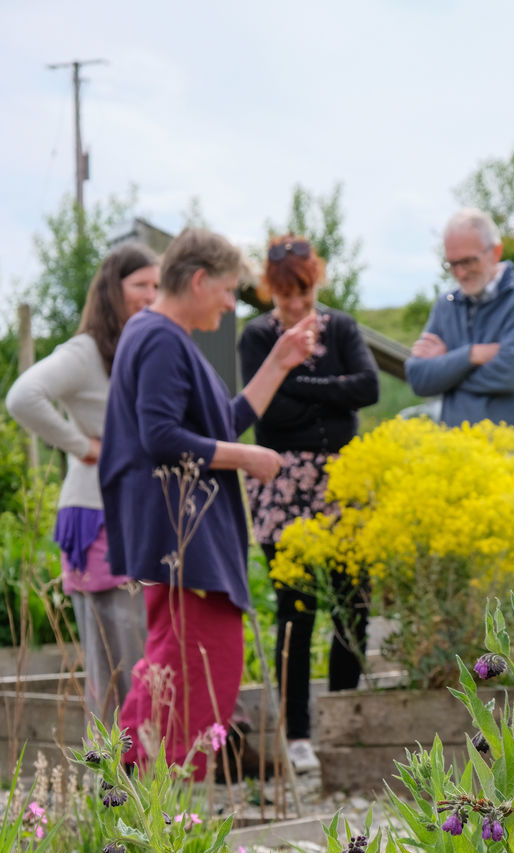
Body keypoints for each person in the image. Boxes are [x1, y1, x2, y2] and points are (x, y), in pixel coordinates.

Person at [98, 228, 317, 780]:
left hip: (177, 534)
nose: (230, 301)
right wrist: (245, 458)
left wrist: (281, 359)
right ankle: (167, 791)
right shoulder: (161, 339)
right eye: (225, 289)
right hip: (183, 536)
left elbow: (225, 420)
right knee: (204, 661)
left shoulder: (156, 335)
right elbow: (161, 436)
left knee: (169, 661)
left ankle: (125, 784)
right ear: (198, 280)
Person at [238, 235, 379, 773]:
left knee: (354, 602)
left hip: (343, 481)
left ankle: (344, 715)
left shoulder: (340, 327)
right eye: (284, 295)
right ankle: (297, 734)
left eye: (303, 292)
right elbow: (266, 417)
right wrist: (328, 389)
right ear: (270, 291)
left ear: (316, 282)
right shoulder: (258, 336)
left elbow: (367, 389)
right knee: (296, 609)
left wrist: (298, 382)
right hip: (281, 483)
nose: (295, 305)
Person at [6, 243, 160, 721]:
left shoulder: (139, 349)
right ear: (113, 290)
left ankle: (146, 782)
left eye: (158, 286)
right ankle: (114, 785)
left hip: (135, 514)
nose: (152, 297)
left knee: (143, 655)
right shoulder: (87, 351)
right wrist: (83, 446)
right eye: (141, 286)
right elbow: (22, 396)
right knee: (114, 661)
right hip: (96, 516)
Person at [404, 208, 514, 434]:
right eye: (452, 264)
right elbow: (419, 379)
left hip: (513, 455)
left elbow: (511, 376)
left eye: (468, 262)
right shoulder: (447, 303)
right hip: (455, 453)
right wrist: (472, 355)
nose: (460, 273)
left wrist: (447, 366)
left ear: (495, 252)